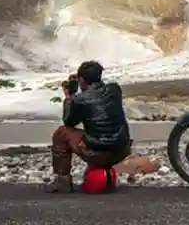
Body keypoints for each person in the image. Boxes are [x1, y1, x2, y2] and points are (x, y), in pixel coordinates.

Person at [45, 61, 132, 193]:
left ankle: (63, 181)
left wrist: (69, 97)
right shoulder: (114, 90)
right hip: (121, 150)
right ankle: (100, 175)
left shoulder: (80, 99)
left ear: (81, 80)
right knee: (96, 130)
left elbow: (69, 122)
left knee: (61, 133)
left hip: (98, 154)